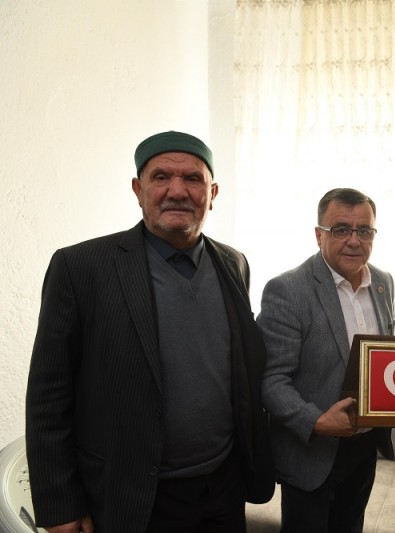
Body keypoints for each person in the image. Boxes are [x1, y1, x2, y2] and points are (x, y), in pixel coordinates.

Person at [25, 131, 275, 533]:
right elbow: (48, 397)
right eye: (161, 177)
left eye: (192, 179)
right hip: (131, 496)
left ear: (212, 193)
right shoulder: (81, 267)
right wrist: (60, 506)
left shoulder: (234, 263)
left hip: (223, 489)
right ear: (138, 190)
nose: (177, 191)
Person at [257, 188, 395, 533]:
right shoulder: (288, 289)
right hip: (312, 453)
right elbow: (271, 380)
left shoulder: (383, 283)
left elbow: (385, 359)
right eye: (341, 229)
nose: (354, 240)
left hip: (365, 448)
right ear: (319, 235)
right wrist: (317, 421)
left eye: (364, 230)